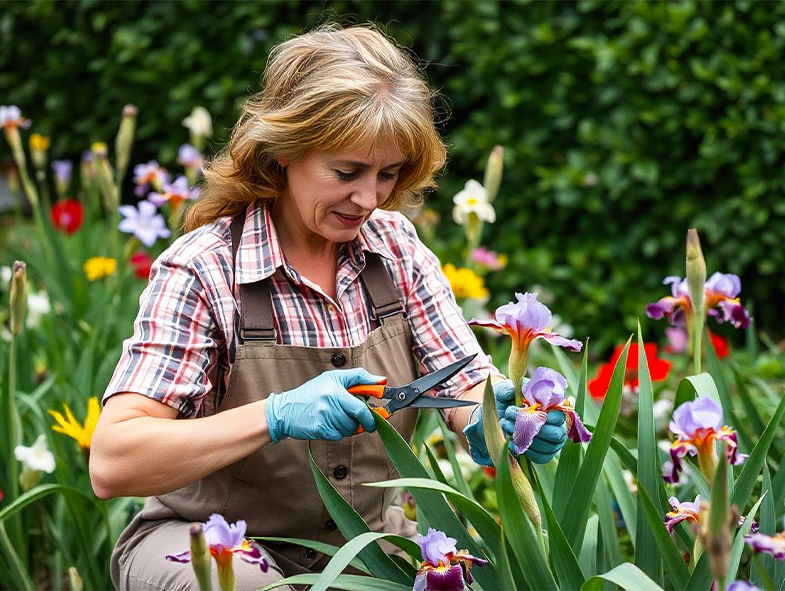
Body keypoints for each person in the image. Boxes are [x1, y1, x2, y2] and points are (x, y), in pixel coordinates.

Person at [89, 24, 569, 590]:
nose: (368, 199)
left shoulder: (396, 248)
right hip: (208, 545)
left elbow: (460, 377)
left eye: (387, 175)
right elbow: (115, 460)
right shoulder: (204, 268)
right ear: (284, 151)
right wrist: (273, 415)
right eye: (346, 173)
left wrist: (493, 419)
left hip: (368, 550)